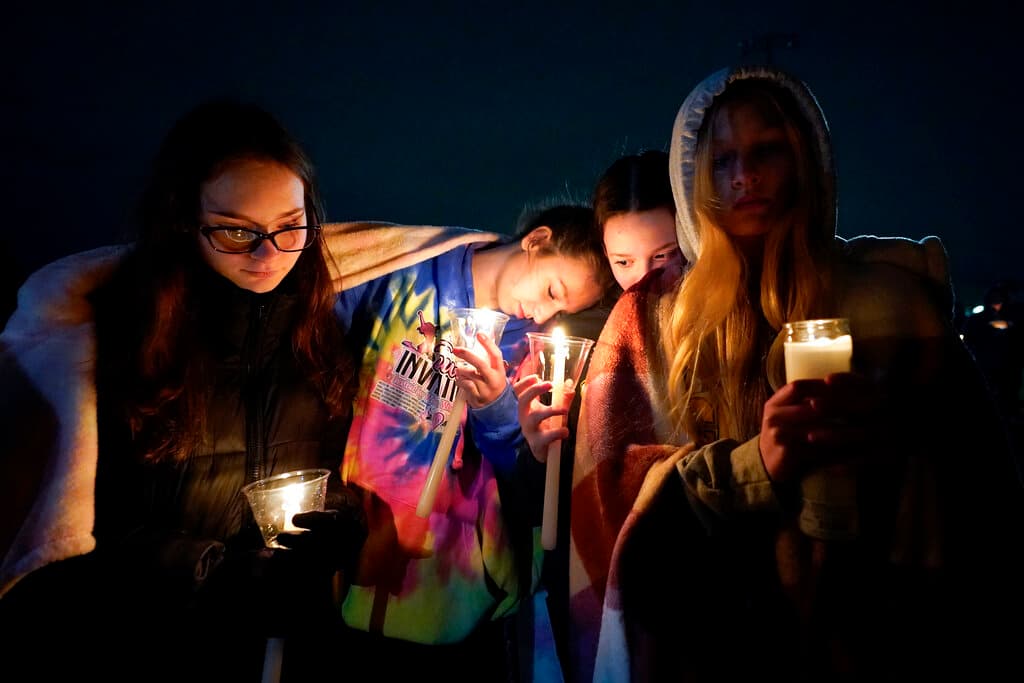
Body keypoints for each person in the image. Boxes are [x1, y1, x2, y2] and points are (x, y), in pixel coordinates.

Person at [568, 64, 1024, 682]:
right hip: (718, 644)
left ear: (807, 158)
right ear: (693, 178)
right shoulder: (660, 321)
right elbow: (619, 499)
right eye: (722, 160)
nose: (745, 176)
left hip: (875, 636)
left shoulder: (892, 307)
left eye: (768, 151)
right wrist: (752, 466)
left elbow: (979, 499)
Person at [0, 100, 366, 680]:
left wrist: (338, 529)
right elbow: (77, 526)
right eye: (236, 231)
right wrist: (219, 574)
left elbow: (331, 469)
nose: (268, 253)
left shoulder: (320, 336)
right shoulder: (116, 340)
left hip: (284, 644)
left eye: (290, 226)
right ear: (183, 220)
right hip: (151, 644)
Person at [330, 202, 614, 680]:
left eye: (561, 309)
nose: (544, 311)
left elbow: (523, 473)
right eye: (551, 290)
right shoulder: (408, 271)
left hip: (455, 588)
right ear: (536, 241)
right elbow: (313, 326)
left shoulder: (533, 348)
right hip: (360, 550)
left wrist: (495, 405)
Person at [513, 150, 682, 678]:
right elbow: (541, 500)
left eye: (664, 255)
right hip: (589, 574)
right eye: (623, 262)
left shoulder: (717, 322)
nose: (642, 279)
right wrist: (537, 449)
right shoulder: (585, 340)